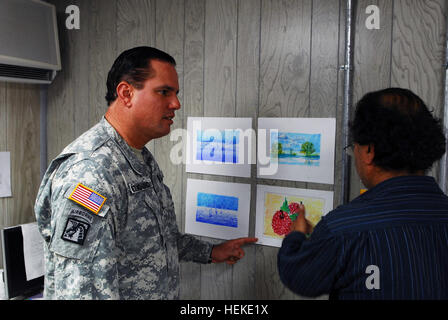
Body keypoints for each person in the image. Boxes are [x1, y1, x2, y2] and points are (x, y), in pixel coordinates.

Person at [34, 46, 257, 300]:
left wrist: (210, 252)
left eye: (175, 93)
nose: (176, 103)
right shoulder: (91, 173)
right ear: (126, 93)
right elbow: (80, 292)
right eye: (164, 92)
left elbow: (154, 240)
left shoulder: (138, 157)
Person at [278, 88, 448, 300]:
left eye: (354, 147)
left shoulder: (343, 228)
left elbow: (300, 277)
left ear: (369, 151)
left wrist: (296, 236)